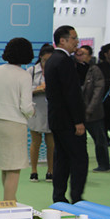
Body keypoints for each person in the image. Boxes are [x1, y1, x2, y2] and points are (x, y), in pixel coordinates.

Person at [0, 38, 34, 201]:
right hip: (14, 124)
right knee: (14, 167)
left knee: (6, 165)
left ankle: (10, 199)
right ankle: (9, 203)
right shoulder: (24, 75)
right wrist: (32, 112)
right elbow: (26, 107)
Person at [45, 25, 88, 204]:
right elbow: (71, 93)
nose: (77, 42)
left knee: (61, 158)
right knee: (79, 159)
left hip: (56, 118)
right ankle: (77, 198)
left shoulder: (52, 60)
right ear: (62, 40)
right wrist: (78, 121)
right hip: (69, 120)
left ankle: (59, 197)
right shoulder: (64, 61)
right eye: (74, 38)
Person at [26, 44, 55, 182]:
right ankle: (34, 171)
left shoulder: (56, 69)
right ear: (40, 57)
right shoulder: (31, 71)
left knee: (51, 144)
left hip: (51, 109)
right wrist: (38, 89)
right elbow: (24, 91)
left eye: (50, 60)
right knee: (35, 142)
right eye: (45, 60)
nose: (47, 63)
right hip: (36, 109)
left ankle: (51, 171)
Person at [79, 46, 110, 172]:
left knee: (99, 139)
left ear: (89, 56)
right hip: (78, 111)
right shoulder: (74, 68)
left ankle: (104, 164)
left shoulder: (95, 70)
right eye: (78, 53)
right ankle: (81, 165)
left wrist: (90, 108)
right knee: (79, 141)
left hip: (93, 112)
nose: (80, 56)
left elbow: (98, 91)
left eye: (83, 54)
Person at [98, 43, 110, 162]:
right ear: (106, 54)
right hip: (102, 103)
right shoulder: (99, 67)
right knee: (102, 131)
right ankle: (103, 159)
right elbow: (96, 82)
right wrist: (109, 81)